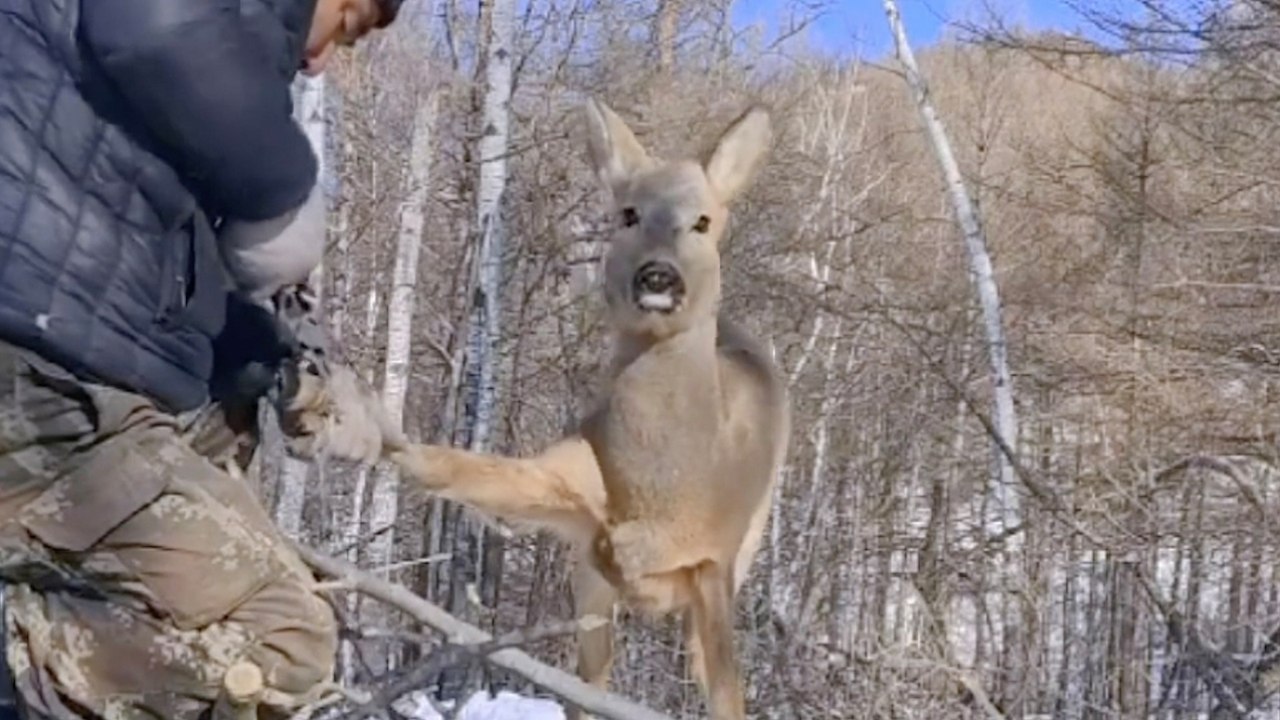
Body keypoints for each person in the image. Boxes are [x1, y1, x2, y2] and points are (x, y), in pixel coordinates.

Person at [0, 0, 405, 717]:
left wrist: (253, 348)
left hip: (54, 373)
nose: (321, 59)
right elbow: (148, 24)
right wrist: (283, 179)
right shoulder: (190, 33)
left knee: (223, 436)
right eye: (346, 23)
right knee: (278, 637)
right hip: (37, 384)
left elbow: (120, 257)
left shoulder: (118, 118)